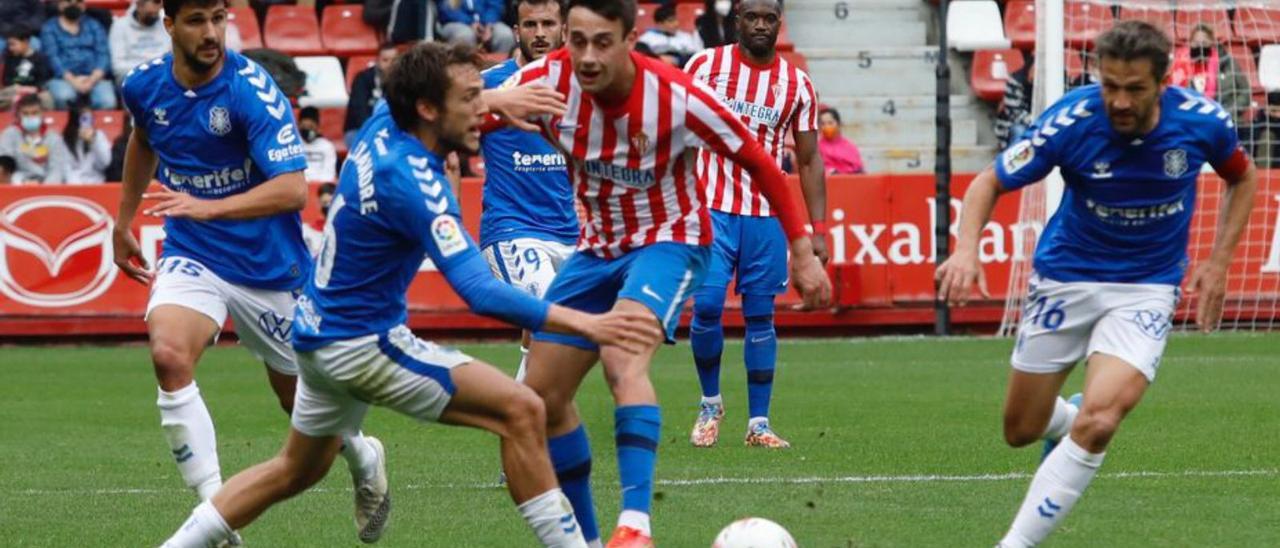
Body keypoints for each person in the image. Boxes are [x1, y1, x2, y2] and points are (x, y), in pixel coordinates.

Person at [158, 40, 665, 548]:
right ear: (428, 108)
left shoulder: (385, 123)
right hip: (362, 344)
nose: (480, 111)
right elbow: (479, 290)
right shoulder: (415, 183)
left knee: (294, 470)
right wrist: (586, 323)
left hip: (314, 333)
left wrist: (495, 101)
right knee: (521, 409)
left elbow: (439, 105)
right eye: (470, 99)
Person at [496, 1, 832, 544]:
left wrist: (802, 247)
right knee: (539, 398)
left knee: (622, 360)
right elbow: (463, 111)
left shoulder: (676, 95)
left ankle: (635, 526)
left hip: (670, 240)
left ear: (632, 38)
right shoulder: (545, 79)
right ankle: (585, 537)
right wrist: (486, 102)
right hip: (597, 250)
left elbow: (762, 161)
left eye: (601, 41)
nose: (586, 56)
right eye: (575, 40)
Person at [935, 21, 1257, 548]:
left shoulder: (1203, 123)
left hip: (1146, 287)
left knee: (1102, 420)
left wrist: (1219, 262)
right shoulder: (1071, 120)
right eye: (1110, 85)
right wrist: (967, 250)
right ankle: (1066, 418)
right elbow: (989, 181)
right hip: (1066, 280)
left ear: (1163, 82)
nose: (1120, 101)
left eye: (1134, 88)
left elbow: (1242, 177)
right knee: (1020, 430)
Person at [111, 0, 387, 543]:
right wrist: (123, 220)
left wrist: (205, 205)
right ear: (169, 25)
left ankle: (363, 453)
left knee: (301, 404)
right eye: (197, 21)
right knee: (168, 355)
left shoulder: (251, 91)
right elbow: (144, 139)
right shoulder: (143, 84)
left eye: (219, 18)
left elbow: (291, 189)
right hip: (194, 252)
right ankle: (216, 515)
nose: (212, 32)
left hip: (269, 268)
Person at [682, 0, 827, 450]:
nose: (761, 25)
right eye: (752, 17)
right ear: (736, 21)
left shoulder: (796, 84)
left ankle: (758, 424)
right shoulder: (704, 67)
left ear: (778, 24)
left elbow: (807, 159)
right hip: (711, 209)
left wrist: (817, 231)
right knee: (706, 307)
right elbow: (680, 134)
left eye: (769, 18)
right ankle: (710, 404)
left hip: (765, 216)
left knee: (760, 317)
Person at [479, 0, 577, 392]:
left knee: (559, 338)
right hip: (511, 227)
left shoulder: (579, 84)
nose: (539, 32)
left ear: (563, 29)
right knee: (548, 317)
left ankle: (522, 411)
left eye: (548, 24)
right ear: (516, 31)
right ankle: (527, 421)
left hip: (569, 233)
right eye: (530, 24)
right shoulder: (491, 84)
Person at [1170, 23, 1251, 127]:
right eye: (1196, 42)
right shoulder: (1181, 67)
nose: (1200, 46)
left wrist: (1226, 113)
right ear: (1190, 44)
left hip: (1226, 120)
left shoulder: (1228, 62)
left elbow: (1245, 92)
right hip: (1191, 121)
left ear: (1212, 43)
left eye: (1204, 42)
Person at [41, 0, 117, 109]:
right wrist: (73, 80)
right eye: (68, 1)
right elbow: (52, 58)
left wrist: (92, 79)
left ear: (83, 5)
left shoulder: (94, 25)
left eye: (78, 2)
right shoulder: (49, 28)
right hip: (63, 78)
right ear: (60, 5)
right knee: (65, 97)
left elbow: (103, 54)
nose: (73, 5)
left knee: (107, 101)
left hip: (94, 77)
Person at [0, 93, 70, 184]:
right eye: (25, 113)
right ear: (18, 114)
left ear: (42, 113)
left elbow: (57, 169)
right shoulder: (9, 134)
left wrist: (43, 188)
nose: (30, 117)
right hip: (17, 183)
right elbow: (5, 167)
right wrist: (22, 182)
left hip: (47, 185)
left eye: (34, 113)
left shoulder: (54, 137)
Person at [345, 43, 396, 147]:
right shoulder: (362, 79)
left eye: (394, 60)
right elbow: (358, 110)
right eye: (385, 60)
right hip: (360, 130)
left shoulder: (403, 81)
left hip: (392, 131)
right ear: (377, 61)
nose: (390, 64)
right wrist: (374, 130)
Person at [109, 0, 171, 84]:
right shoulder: (120, 26)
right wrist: (151, 72)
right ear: (139, 5)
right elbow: (118, 68)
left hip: (163, 78)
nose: (158, 8)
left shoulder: (165, 24)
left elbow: (172, 58)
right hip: (133, 80)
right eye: (151, 13)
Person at [436, 0, 516, 54]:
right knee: (465, 36)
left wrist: (489, 24)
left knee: (505, 35)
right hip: (455, 22)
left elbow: (495, 5)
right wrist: (470, 23)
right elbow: (446, 10)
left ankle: (500, 73)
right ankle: (466, 73)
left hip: (489, 22)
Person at [61, 102, 112, 183]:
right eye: (84, 119)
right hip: (72, 185)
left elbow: (105, 163)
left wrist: (93, 141)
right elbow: (65, 169)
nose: (88, 122)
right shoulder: (65, 140)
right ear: (75, 120)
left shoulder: (99, 136)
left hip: (96, 183)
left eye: (91, 118)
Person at [3, 29, 55, 109]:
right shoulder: (10, 57)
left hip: (33, 91)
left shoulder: (39, 58)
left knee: (46, 98)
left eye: (13, 44)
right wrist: (17, 88)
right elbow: (6, 80)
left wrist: (33, 89)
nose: (11, 48)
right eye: (9, 45)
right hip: (15, 90)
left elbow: (42, 79)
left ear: (25, 42)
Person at [995, 58, 1034, 151]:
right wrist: (1037, 122)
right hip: (1013, 124)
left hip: (1041, 123)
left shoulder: (1058, 80)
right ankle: (1015, 163)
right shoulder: (1016, 81)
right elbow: (1014, 114)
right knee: (1020, 131)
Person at [816, 107, 864, 174]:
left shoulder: (849, 147)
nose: (826, 126)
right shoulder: (816, 148)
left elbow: (859, 170)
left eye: (830, 123)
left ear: (839, 124)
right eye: (823, 124)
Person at [297, 106, 337, 182]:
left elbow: (329, 173)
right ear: (298, 126)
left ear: (318, 127)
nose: (307, 130)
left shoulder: (327, 146)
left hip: (321, 187)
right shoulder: (293, 145)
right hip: (299, 186)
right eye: (304, 126)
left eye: (310, 126)